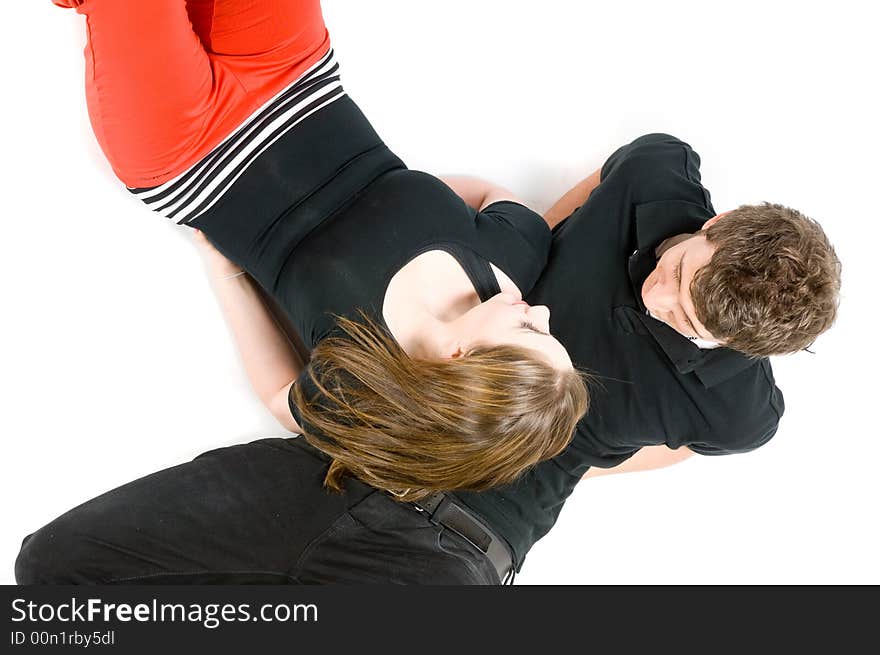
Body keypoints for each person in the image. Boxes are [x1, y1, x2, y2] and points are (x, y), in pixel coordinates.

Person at [45, 0, 589, 501]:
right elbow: (497, 195)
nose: (541, 311)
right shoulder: (514, 259)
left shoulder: (360, 380)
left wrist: (227, 273)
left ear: (459, 359)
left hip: (186, 151)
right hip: (295, 76)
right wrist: (402, 200)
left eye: (532, 332)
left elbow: (281, 397)